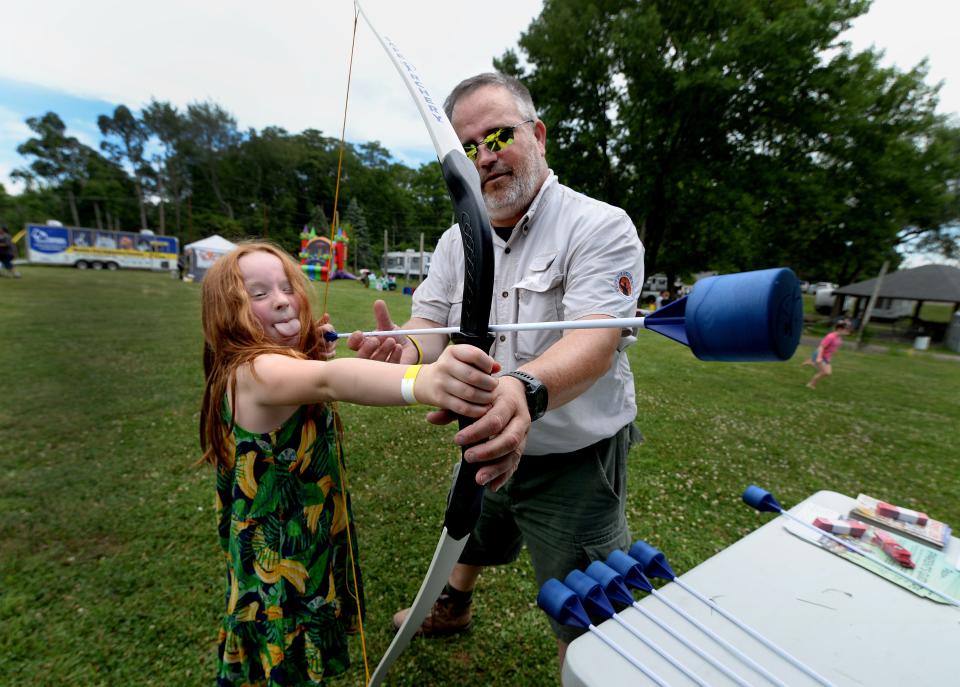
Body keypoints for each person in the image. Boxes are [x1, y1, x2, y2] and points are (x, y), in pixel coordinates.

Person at [348, 72, 644, 668]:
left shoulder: (600, 226)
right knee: (474, 531)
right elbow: (426, 327)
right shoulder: (454, 243)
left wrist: (522, 389)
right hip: (487, 441)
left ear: (537, 134)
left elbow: (596, 341)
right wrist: (402, 349)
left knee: (588, 611)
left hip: (574, 460)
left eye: (498, 135)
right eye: (468, 148)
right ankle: (453, 604)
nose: (484, 157)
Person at [198, 241, 504, 686]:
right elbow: (330, 379)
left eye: (287, 285)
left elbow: (314, 373)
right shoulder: (254, 372)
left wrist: (315, 353)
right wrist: (426, 380)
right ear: (227, 313)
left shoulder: (274, 366)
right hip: (280, 562)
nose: (283, 298)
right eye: (259, 294)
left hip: (304, 541)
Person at [802, 318, 854, 389]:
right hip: (820, 355)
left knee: (828, 373)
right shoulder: (830, 336)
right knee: (825, 372)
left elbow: (833, 347)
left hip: (826, 357)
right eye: (846, 329)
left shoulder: (839, 337)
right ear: (839, 329)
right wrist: (819, 357)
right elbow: (821, 347)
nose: (848, 331)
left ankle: (811, 361)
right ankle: (810, 384)